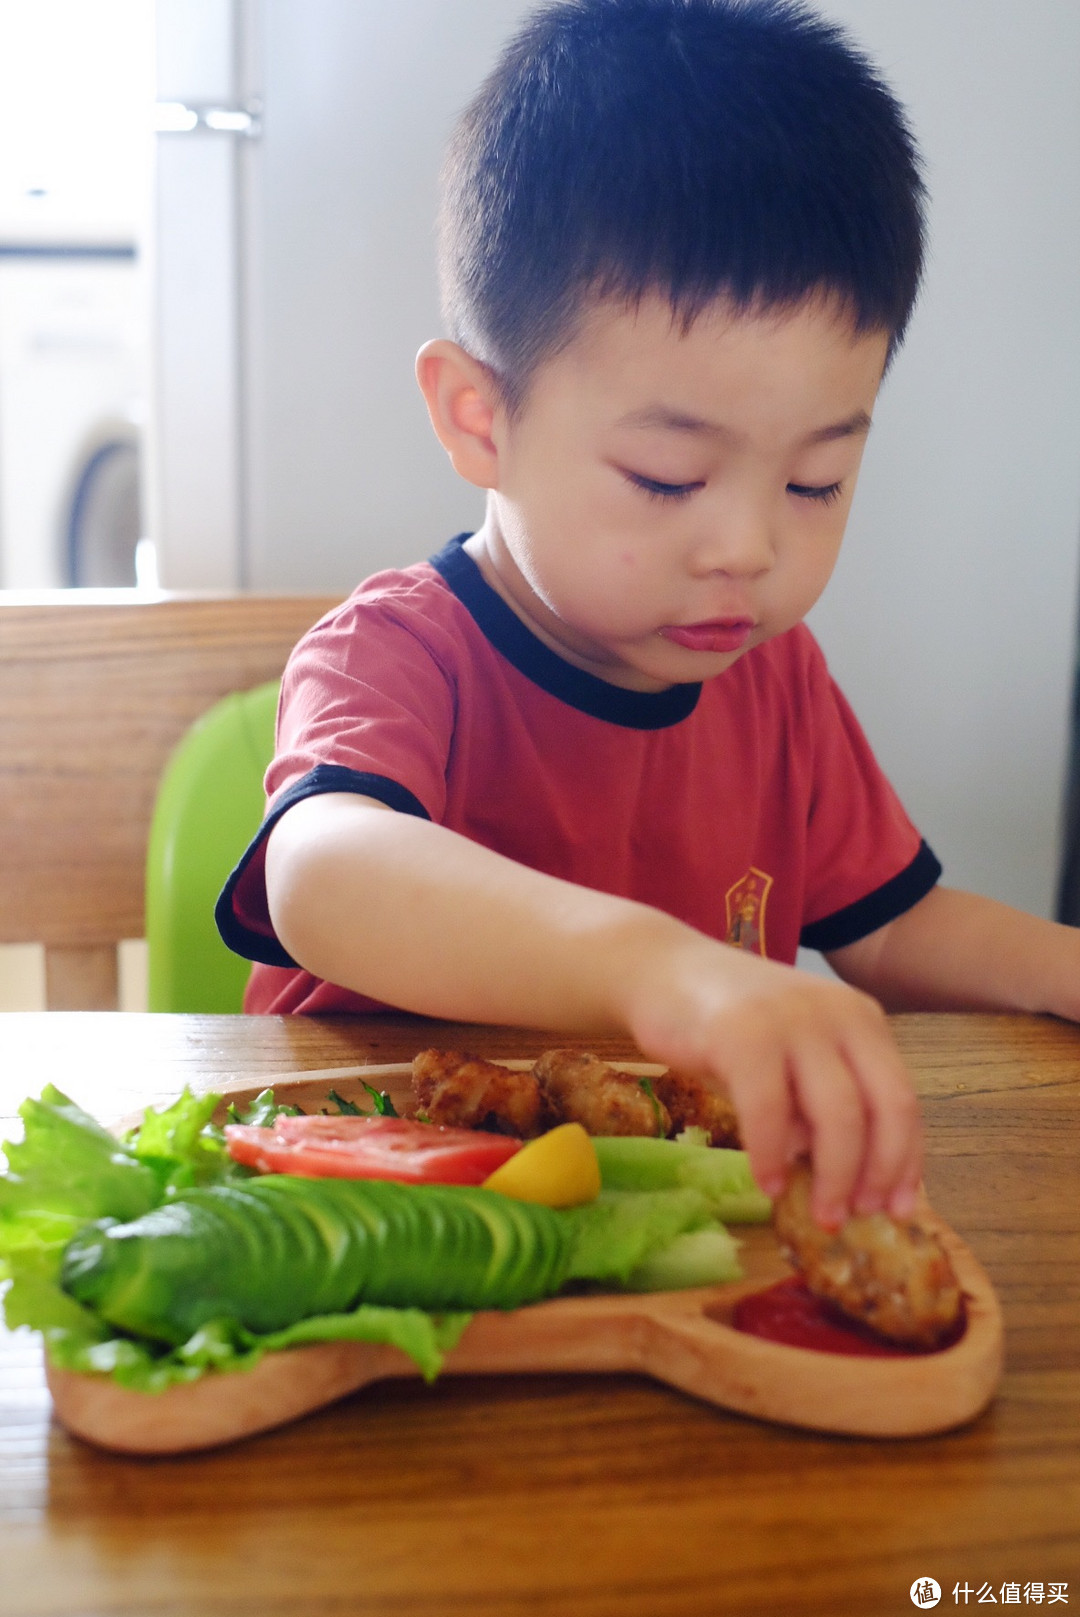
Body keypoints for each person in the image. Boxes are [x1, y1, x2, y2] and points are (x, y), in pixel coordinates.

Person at [217, 0, 1080, 1230]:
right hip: (381, 1228)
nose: (749, 547)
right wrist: (656, 969)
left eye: (816, 480)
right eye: (669, 479)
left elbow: (899, 930)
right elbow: (324, 875)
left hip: (663, 1249)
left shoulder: (773, 685)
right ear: (480, 419)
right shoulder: (399, 652)